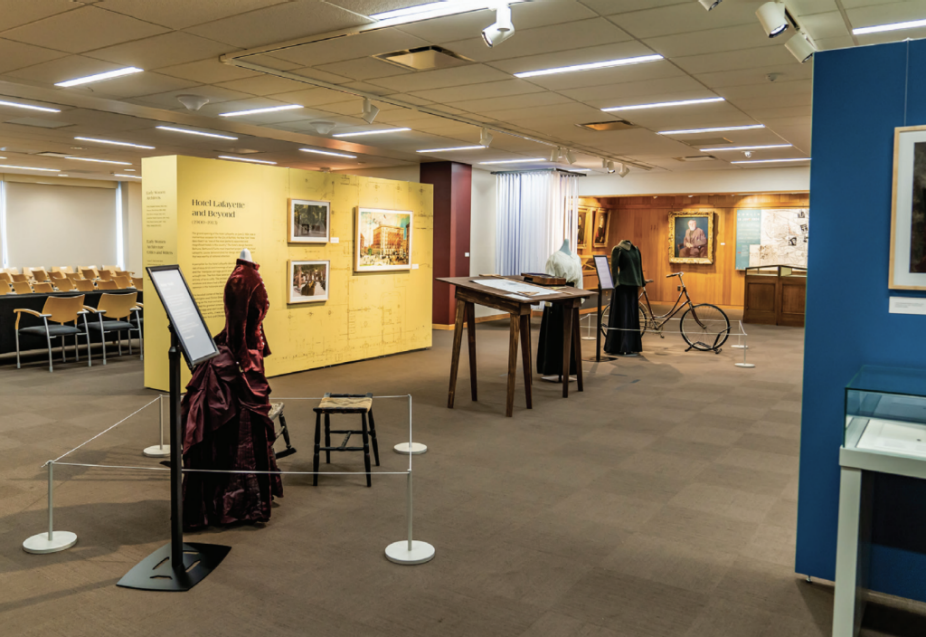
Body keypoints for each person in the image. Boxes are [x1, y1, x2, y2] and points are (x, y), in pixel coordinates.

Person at [181, 257, 282, 530]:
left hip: (248, 356)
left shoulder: (249, 275)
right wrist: (242, 365)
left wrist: (257, 352)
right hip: (240, 360)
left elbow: (248, 324)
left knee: (247, 428)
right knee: (238, 429)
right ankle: (233, 503)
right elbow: (236, 327)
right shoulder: (240, 279)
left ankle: (246, 499)